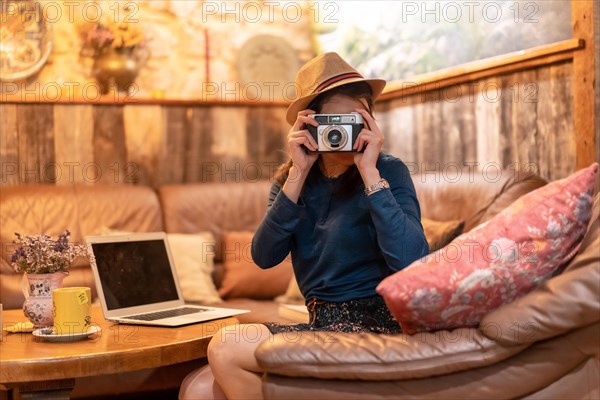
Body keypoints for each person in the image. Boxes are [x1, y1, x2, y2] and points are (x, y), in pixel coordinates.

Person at [205, 52, 429, 400]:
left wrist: (371, 175)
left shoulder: (388, 171)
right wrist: (297, 174)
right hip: (320, 324)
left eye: (354, 120)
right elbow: (264, 256)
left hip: (380, 326)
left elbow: (411, 261)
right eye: (333, 122)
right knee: (215, 367)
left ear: (371, 122)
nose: (343, 131)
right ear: (309, 125)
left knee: (226, 349)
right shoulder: (291, 182)